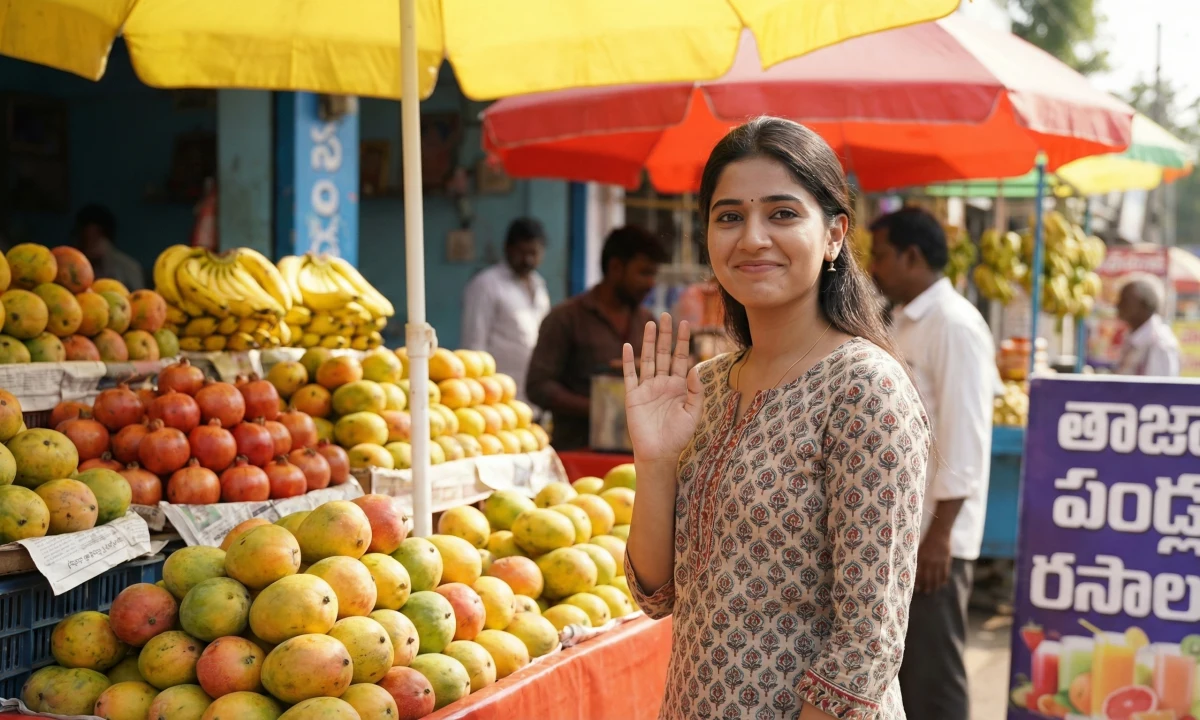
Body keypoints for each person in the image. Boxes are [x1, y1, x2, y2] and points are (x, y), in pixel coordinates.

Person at [622, 117, 930, 720]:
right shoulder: (705, 386)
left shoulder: (864, 389)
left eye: (783, 214)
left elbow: (868, 642)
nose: (753, 238)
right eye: (729, 215)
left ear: (835, 235)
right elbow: (655, 594)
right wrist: (656, 461)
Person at [869, 206, 999, 719]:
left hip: (935, 536)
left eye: (881, 256)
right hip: (907, 532)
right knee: (907, 676)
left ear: (913, 255)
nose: (874, 268)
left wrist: (939, 536)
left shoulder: (955, 325)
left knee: (934, 679)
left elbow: (966, 438)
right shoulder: (905, 319)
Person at [526, 225, 668, 451]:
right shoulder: (565, 318)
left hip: (638, 456)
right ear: (615, 267)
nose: (651, 283)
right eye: (644, 273)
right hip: (576, 452)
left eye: (654, 274)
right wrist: (601, 407)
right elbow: (538, 386)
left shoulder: (648, 322)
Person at [460, 218, 552, 402]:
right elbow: (473, 345)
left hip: (534, 396)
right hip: (498, 398)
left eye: (533, 253)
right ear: (507, 248)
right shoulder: (486, 285)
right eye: (521, 253)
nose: (527, 260)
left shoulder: (539, 286)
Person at [1116, 273, 1180, 377]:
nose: (1118, 305)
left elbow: (1158, 390)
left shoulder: (1160, 343)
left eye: (1125, 300)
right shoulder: (1134, 337)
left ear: (1144, 304)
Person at [73, 205, 146, 291]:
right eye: (85, 239)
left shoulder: (130, 268)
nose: (91, 244)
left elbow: (140, 298)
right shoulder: (73, 269)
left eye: (96, 237)